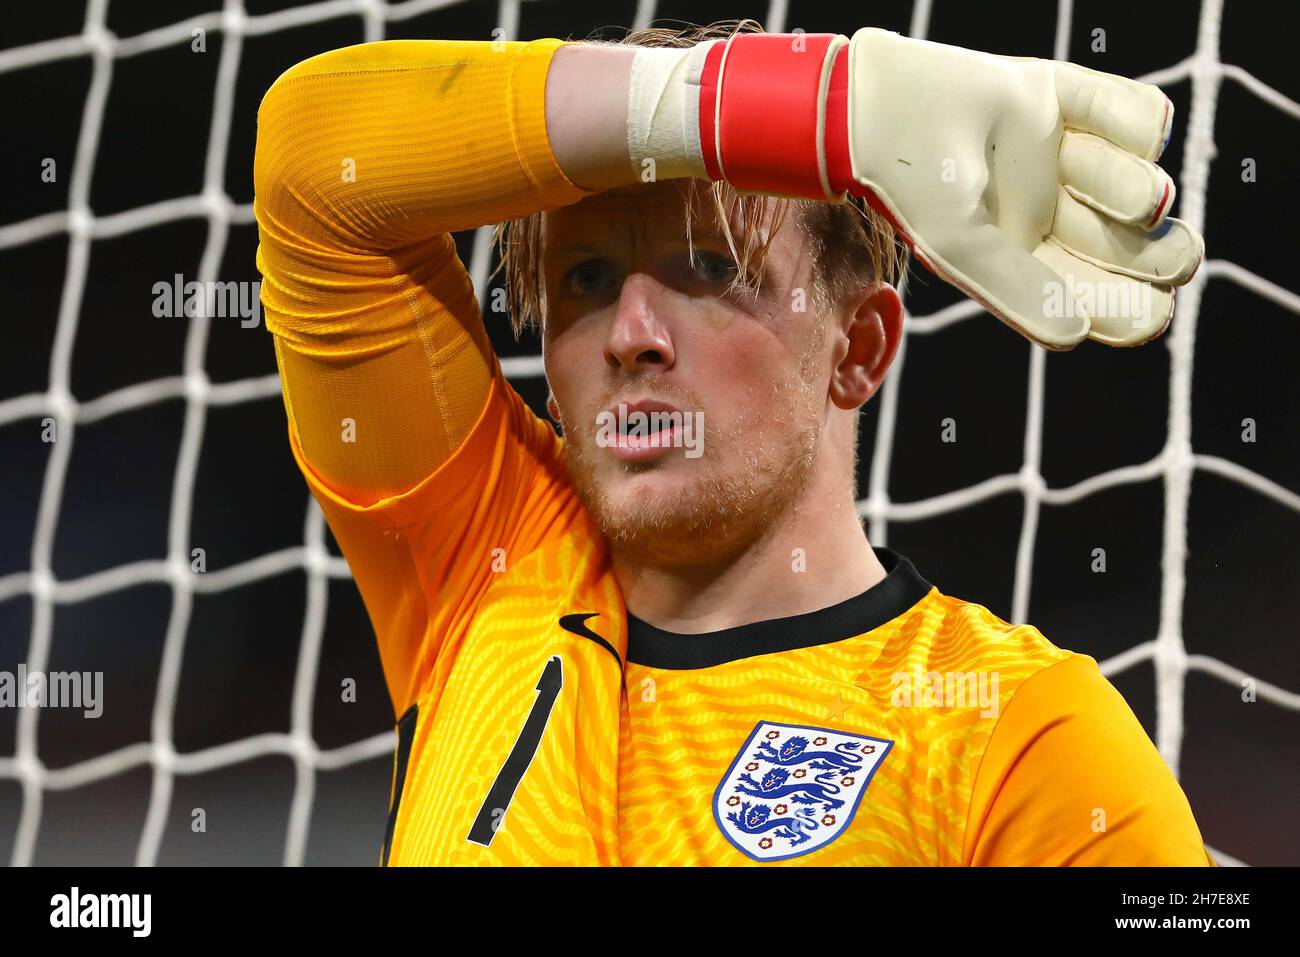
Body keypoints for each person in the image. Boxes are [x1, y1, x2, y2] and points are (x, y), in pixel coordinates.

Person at [252, 19, 1211, 865]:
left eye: (709, 267)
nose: (631, 333)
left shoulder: (1021, 736)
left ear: (859, 349)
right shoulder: (489, 562)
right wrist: (812, 106)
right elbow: (311, 160)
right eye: (584, 278)